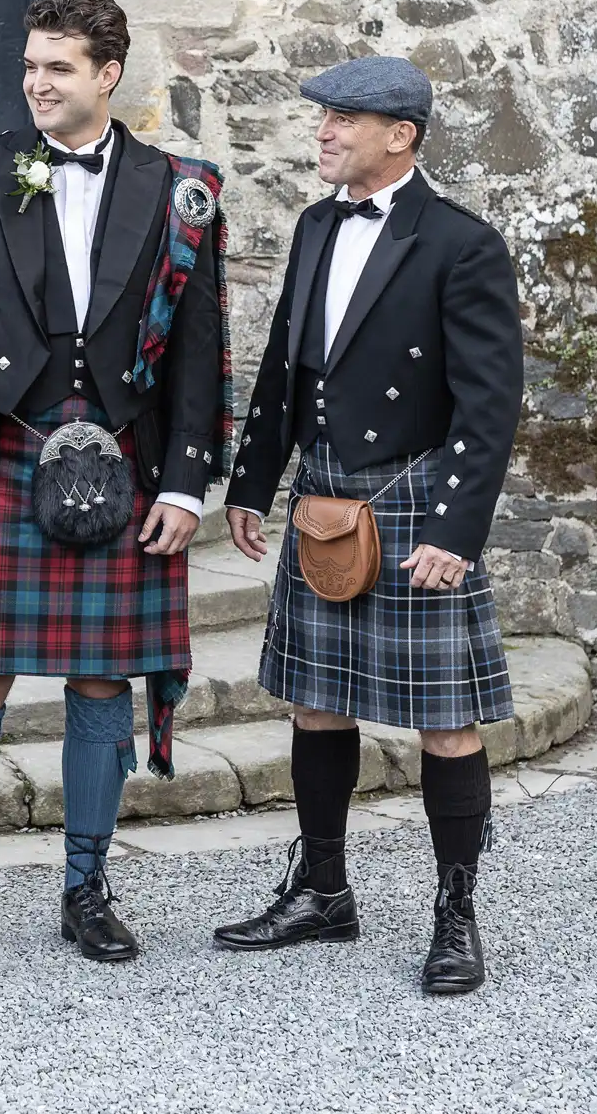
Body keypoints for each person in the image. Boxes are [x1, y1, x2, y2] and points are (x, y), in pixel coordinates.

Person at [0, 0, 232, 965]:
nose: (37, 84)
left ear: (106, 76)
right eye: (30, 67)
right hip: (4, 450)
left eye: (58, 68)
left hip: (123, 457)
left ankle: (86, 888)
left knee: (101, 679)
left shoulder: (178, 189)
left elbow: (199, 351)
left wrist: (182, 483)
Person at [213, 56, 523, 996]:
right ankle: (322, 886)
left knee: (446, 721)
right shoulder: (314, 226)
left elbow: (489, 403)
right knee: (314, 701)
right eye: (324, 119)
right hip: (324, 499)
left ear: (403, 136)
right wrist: (252, 480)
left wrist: (454, 530)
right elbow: (284, 365)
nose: (325, 133)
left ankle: (456, 912)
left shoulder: (461, 244)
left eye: (345, 119)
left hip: (412, 504)